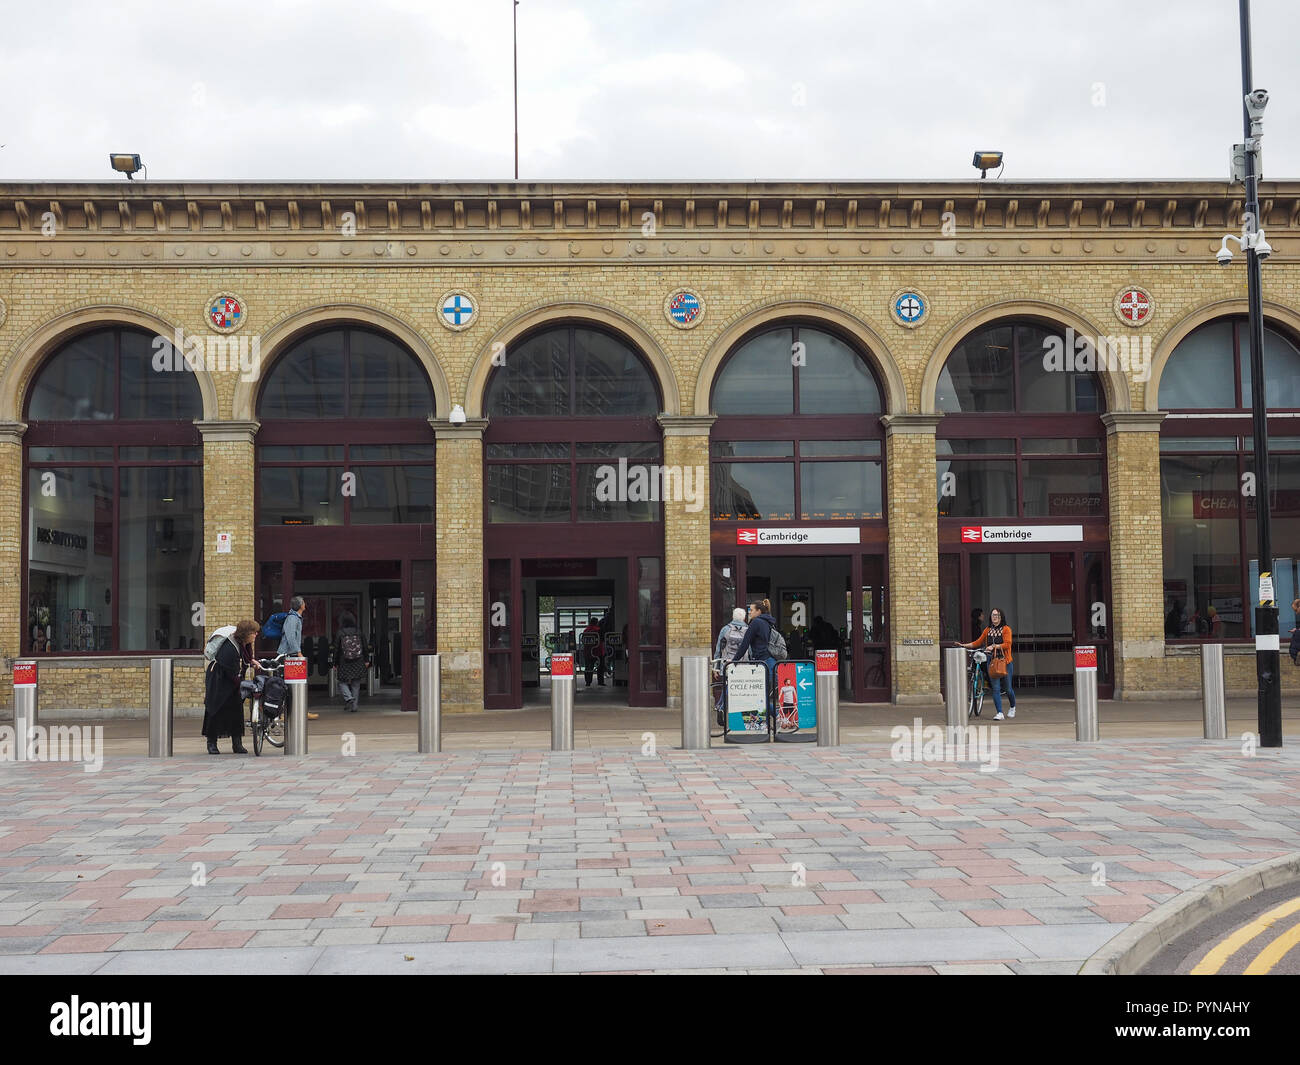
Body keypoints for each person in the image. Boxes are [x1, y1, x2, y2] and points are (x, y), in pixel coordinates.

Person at [203, 619, 260, 755]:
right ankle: (212, 743)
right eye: (254, 632)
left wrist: (251, 662)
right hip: (218, 679)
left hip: (232, 678)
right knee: (215, 709)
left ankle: (237, 743)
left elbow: (246, 658)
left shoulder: (245, 644)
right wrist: (242, 684)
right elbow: (230, 671)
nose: (256, 635)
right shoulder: (229, 648)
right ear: (246, 634)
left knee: (236, 710)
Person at [960, 607, 1016, 720]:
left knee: (1008, 688)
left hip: (1005, 662)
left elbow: (1008, 644)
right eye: (993, 615)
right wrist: (964, 645)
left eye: (997, 615)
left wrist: (995, 646)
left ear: (1001, 617)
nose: (995, 617)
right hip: (992, 662)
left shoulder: (1006, 629)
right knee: (995, 688)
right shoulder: (987, 630)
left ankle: (1012, 707)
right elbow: (978, 642)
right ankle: (999, 712)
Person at [731, 598, 779, 727]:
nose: (749, 612)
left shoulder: (756, 622)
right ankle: (768, 724)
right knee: (761, 697)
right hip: (771, 662)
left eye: (751, 610)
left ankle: (780, 717)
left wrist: (734, 661)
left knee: (759, 698)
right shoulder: (769, 622)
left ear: (758, 611)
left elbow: (744, 644)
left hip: (762, 664)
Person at [276, 596, 318, 720]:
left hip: (291, 655)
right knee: (288, 686)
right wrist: (298, 652)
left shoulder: (296, 618)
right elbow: (290, 636)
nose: (305, 604)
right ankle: (283, 713)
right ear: (301, 605)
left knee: (298, 684)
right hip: (288, 656)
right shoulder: (292, 618)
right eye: (304, 602)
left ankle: (300, 710)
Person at [333, 611, 370, 713]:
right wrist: (367, 660)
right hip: (358, 660)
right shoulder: (359, 631)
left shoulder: (340, 632)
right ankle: (354, 707)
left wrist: (334, 663)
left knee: (341, 682)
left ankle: (348, 697)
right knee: (356, 684)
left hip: (344, 661)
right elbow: (365, 647)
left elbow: (336, 649)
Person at [581, 617, 605, 687]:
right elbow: (602, 639)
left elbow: (583, 640)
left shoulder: (586, 630)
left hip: (588, 651)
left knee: (588, 667)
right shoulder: (598, 630)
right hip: (598, 651)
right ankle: (600, 681)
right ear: (596, 623)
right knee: (600, 666)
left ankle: (588, 682)